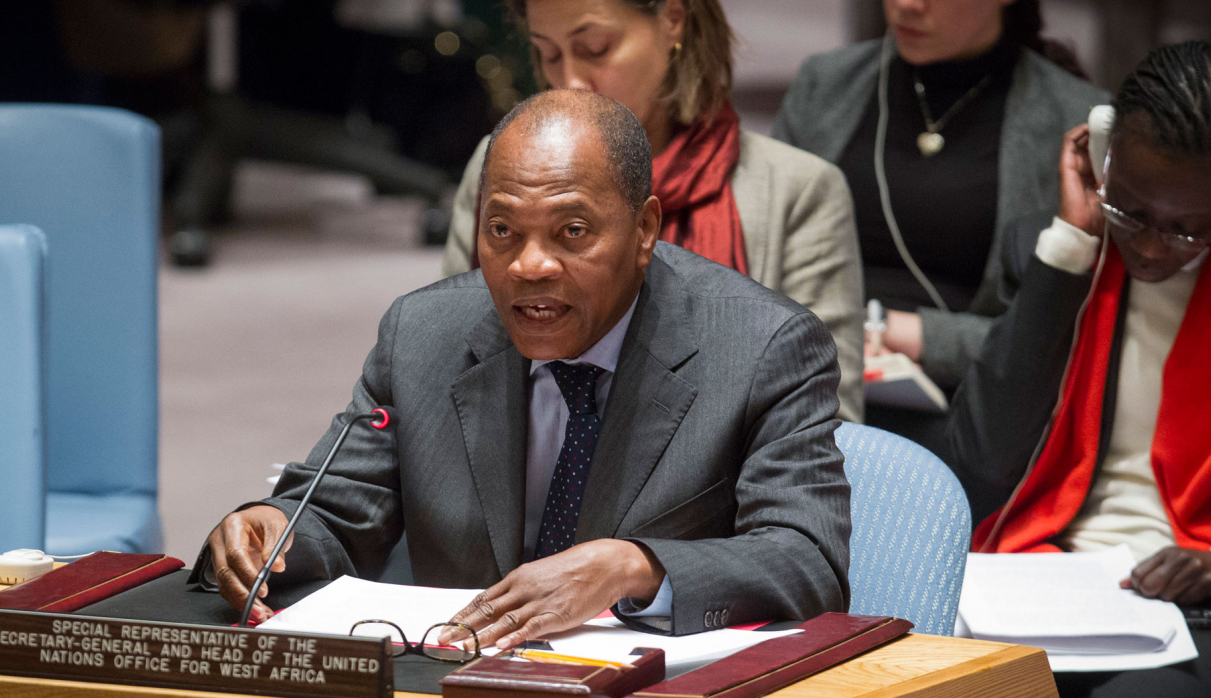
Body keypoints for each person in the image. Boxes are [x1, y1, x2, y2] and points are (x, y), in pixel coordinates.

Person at [196, 90, 851, 648]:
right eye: (502, 231)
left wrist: (634, 567)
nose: (527, 266)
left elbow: (807, 559)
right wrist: (273, 528)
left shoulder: (762, 347)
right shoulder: (423, 334)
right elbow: (338, 512)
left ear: (645, 229)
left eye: (571, 232)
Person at [945, 42, 1211, 698]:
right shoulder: (1056, 252)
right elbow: (979, 464)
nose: (1153, 249)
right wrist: (1071, 252)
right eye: (1132, 211)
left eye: (1189, 228)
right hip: (1050, 578)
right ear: (1102, 159)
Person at [441, 0, 866, 422]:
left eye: (595, 48)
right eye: (548, 53)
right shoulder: (499, 169)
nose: (569, 81)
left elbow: (826, 426)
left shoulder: (795, 190)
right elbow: (449, 372)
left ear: (673, 20)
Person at [772, 0, 1106, 442]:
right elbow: (769, 262)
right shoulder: (827, 82)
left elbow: (1057, 335)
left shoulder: (1074, 120)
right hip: (806, 379)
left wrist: (911, 334)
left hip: (970, 409)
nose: (907, 5)